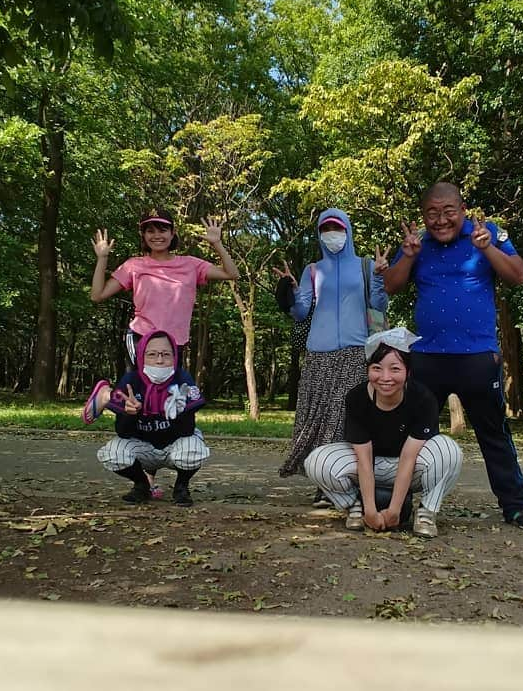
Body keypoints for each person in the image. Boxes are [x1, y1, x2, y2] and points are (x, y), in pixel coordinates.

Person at [383, 183, 523, 531]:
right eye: (432, 213)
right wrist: (407, 256)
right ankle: (399, 506)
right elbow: (390, 287)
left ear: (463, 209)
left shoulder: (487, 234)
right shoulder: (416, 243)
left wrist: (487, 250)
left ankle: (517, 507)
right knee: (412, 435)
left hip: (477, 358)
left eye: (448, 211)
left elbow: (518, 275)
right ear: (423, 215)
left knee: (495, 435)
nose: (440, 220)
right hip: (426, 358)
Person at [272, 209, 390, 499]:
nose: (332, 235)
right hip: (319, 354)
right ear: (319, 234)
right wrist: (290, 291)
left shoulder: (365, 265)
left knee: (342, 416)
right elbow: (301, 313)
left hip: (355, 351)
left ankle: (341, 479)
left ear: (348, 231)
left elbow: (379, 305)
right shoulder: (313, 269)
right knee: (318, 417)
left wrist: (379, 277)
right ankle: (322, 480)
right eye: (325, 229)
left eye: (337, 228)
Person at [304, 328, 463, 538]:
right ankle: (355, 507)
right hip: (369, 465)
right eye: (377, 368)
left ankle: (426, 512)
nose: (385, 377)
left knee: (449, 451)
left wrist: (394, 511)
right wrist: (370, 509)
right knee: (317, 461)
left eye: (395, 369)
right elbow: (363, 458)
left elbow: (409, 457)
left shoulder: (423, 399)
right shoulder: (357, 398)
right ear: (368, 369)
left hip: (410, 466)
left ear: (408, 371)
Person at [89, 208, 238, 370]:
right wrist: (102, 258)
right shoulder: (134, 265)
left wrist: (217, 244)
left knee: (169, 393)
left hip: (175, 342)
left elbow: (232, 273)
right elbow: (97, 295)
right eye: (150, 231)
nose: (156, 235)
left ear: (173, 233)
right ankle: (104, 394)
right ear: (144, 236)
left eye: (162, 230)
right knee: (140, 389)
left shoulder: (191, 264)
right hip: (142, 337)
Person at [92, 330, 209, 507]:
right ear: (141, 356)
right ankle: (141, 485)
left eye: (166, 354)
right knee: (113, 454)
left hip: (174, 445)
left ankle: (181, 486)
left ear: (175, 357)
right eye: (152, 354)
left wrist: (180, 411)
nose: (160, 360)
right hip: (143, 446)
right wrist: (129, 413)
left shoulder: (182, 379)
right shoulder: (131, 380)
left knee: (194, 450)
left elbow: (187, 431)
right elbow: (122, 433)